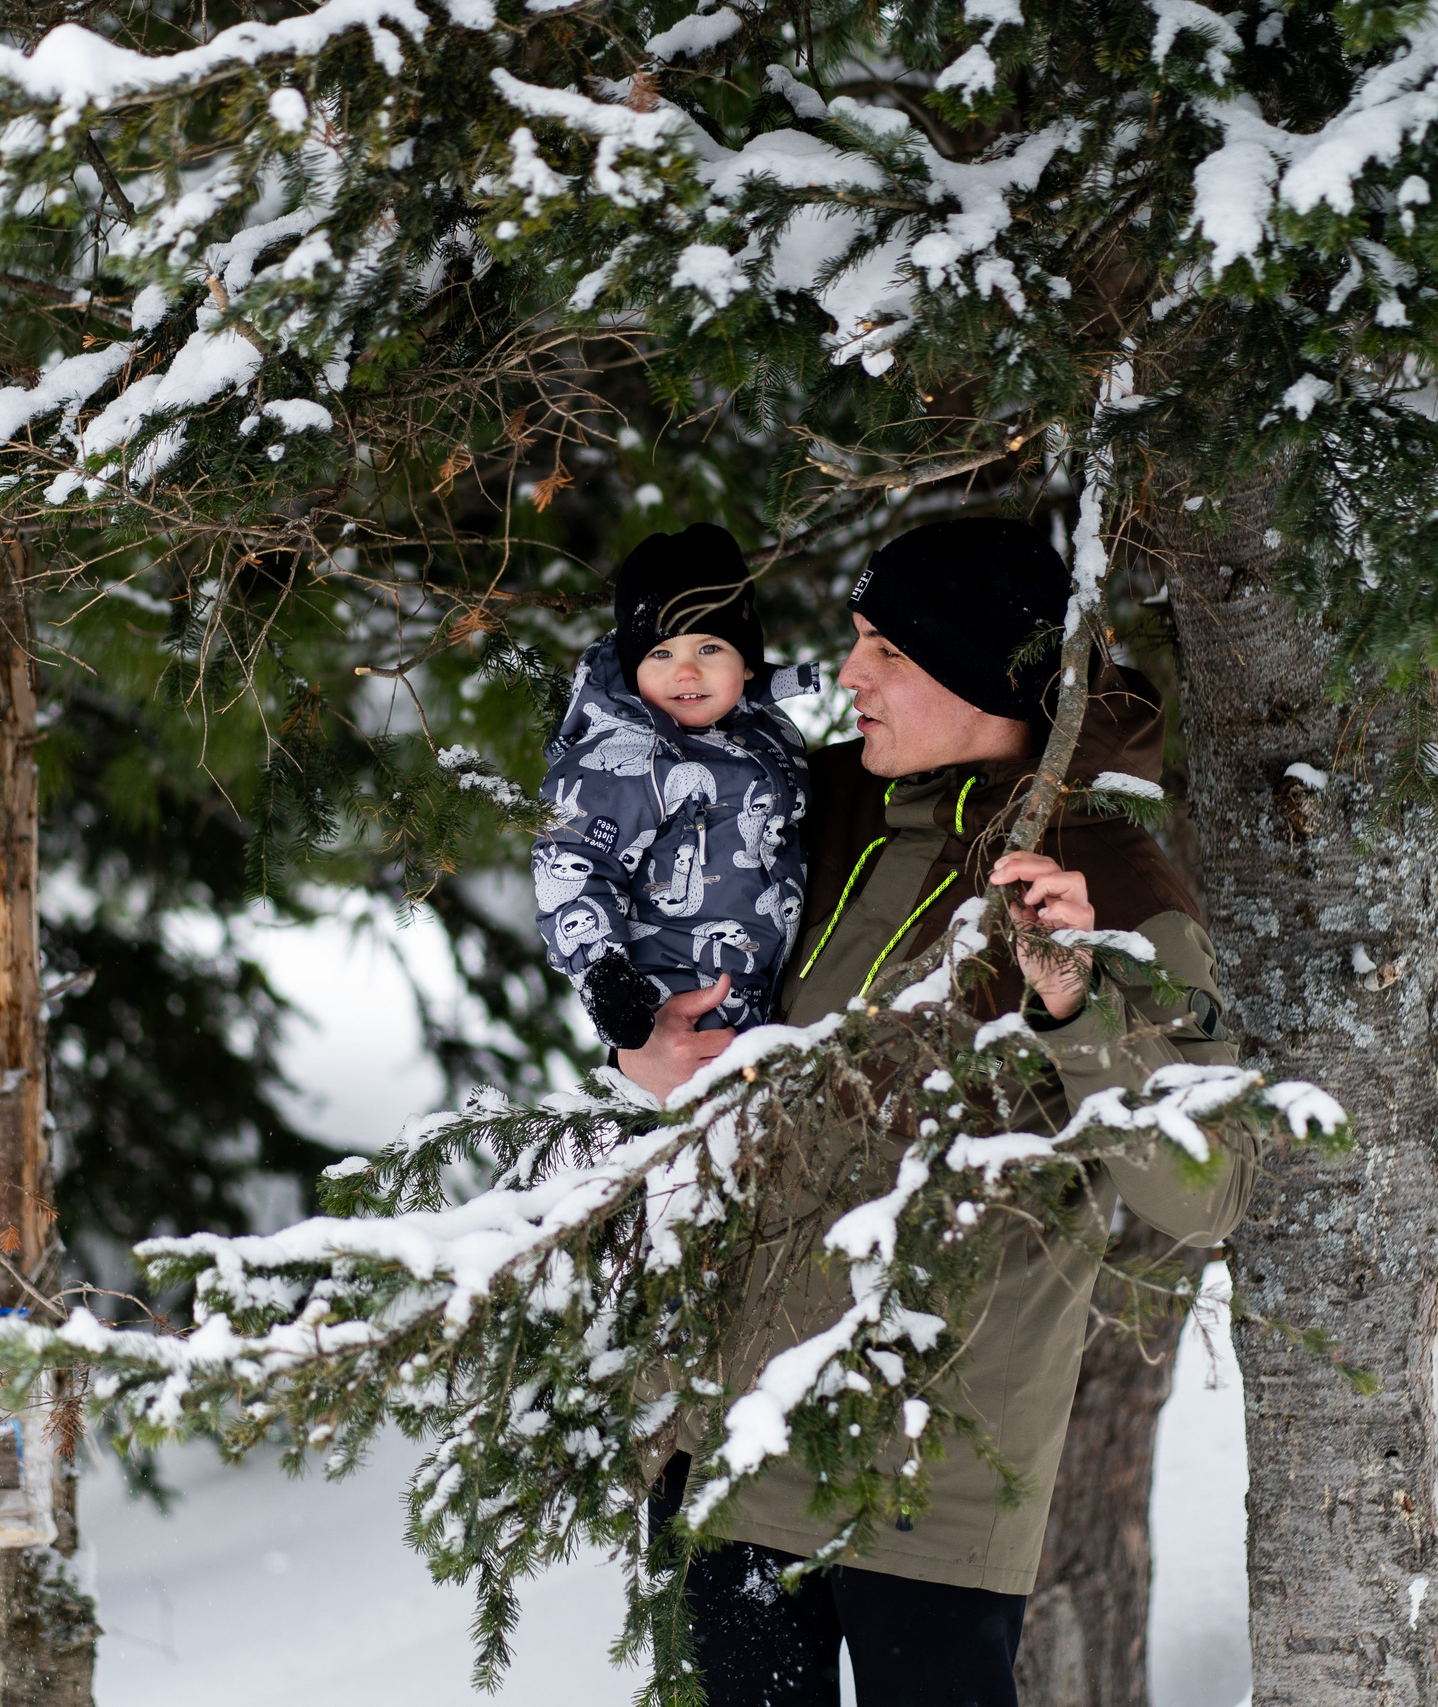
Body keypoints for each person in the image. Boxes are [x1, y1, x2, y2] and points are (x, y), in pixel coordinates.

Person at [621, 515, 1257, 1707]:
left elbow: (1205, 1192)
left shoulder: (1109, 881)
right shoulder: (813, 808)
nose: (849, 675)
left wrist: (1078, 1011)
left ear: (983, 679)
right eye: (856, 642)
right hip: (729, 1443)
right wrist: (642, 1041)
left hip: (933, 1487)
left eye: (888, 654)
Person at [534, 521, 816, 1050]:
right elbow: (574, 867)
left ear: (747, 658)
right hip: (675, 1005)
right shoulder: (619, 758)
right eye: (661, 654)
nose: (685, 673)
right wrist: (604, 976)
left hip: (767, 994)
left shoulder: (771, 733)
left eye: (709, 649)